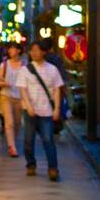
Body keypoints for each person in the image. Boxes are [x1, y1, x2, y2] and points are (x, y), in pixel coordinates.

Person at [20, 40, 64, 181]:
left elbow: (57, 89)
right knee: (28, 140)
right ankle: (30, 164)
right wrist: (28, 106)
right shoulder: (25, 70)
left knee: (48, 140)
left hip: (47, 110)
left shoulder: (52, 69)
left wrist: (57, 108)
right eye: (32, 50)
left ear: (44, 52)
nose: (34, 53)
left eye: (37, 50)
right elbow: (23, 90)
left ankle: (53, 168)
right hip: (30, 111)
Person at [0, 40, 24, 157]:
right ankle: (11, 147)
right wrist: (4, 84)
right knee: (9, 122)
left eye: (12, 48)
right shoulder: (4, 65)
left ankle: (12, 141)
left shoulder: (24, 66)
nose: (10, 51)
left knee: (18, 123)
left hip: (19, 97)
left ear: (18, 50)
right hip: (6, 96)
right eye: (9, 49)